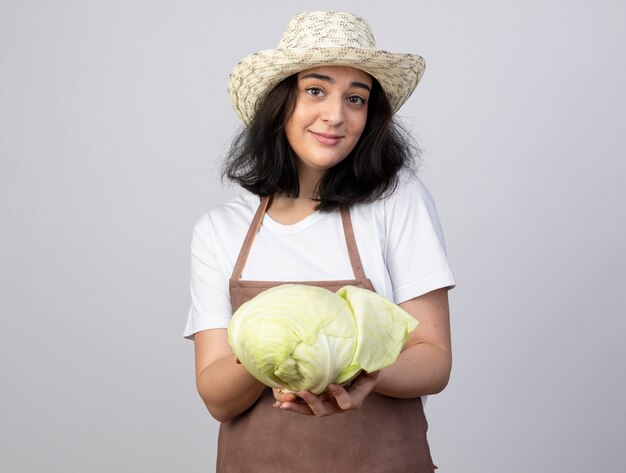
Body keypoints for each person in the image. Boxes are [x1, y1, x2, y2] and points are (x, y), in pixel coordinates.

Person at [184, 10, 455, 473]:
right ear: (280, 101)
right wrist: (278, 350)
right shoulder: (220, 229)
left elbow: (434, 360)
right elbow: (217, 398)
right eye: (315, 90)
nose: (335, 115)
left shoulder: (396, 200)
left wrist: (366, 375)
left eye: (356, 98)